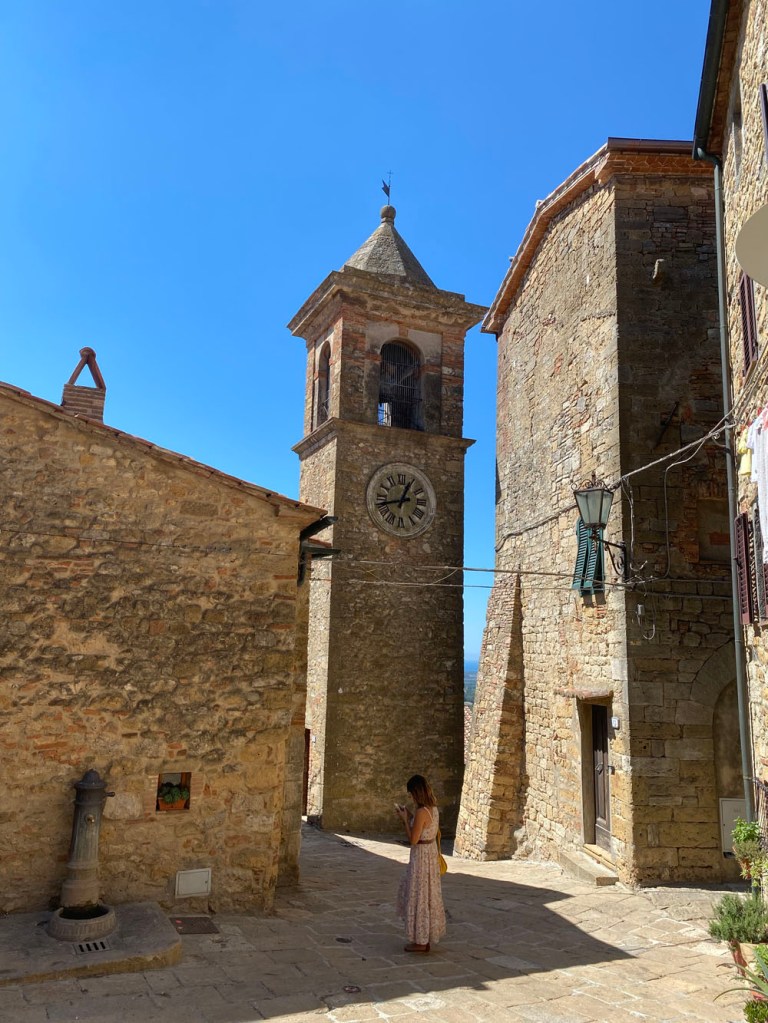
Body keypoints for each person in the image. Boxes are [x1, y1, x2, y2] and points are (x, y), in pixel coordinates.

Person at [395, 774, 446, 954]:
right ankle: (426, 936)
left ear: (416, 793)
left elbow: (414, 839)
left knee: (418, 895)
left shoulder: (421, 812)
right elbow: (423, 827)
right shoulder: (433, 809)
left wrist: (404, 820)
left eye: (411, 794)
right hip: (430, 855)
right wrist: (409, 814)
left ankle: (420, 941)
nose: (410, 797)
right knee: (428, 895)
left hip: (421, 857)